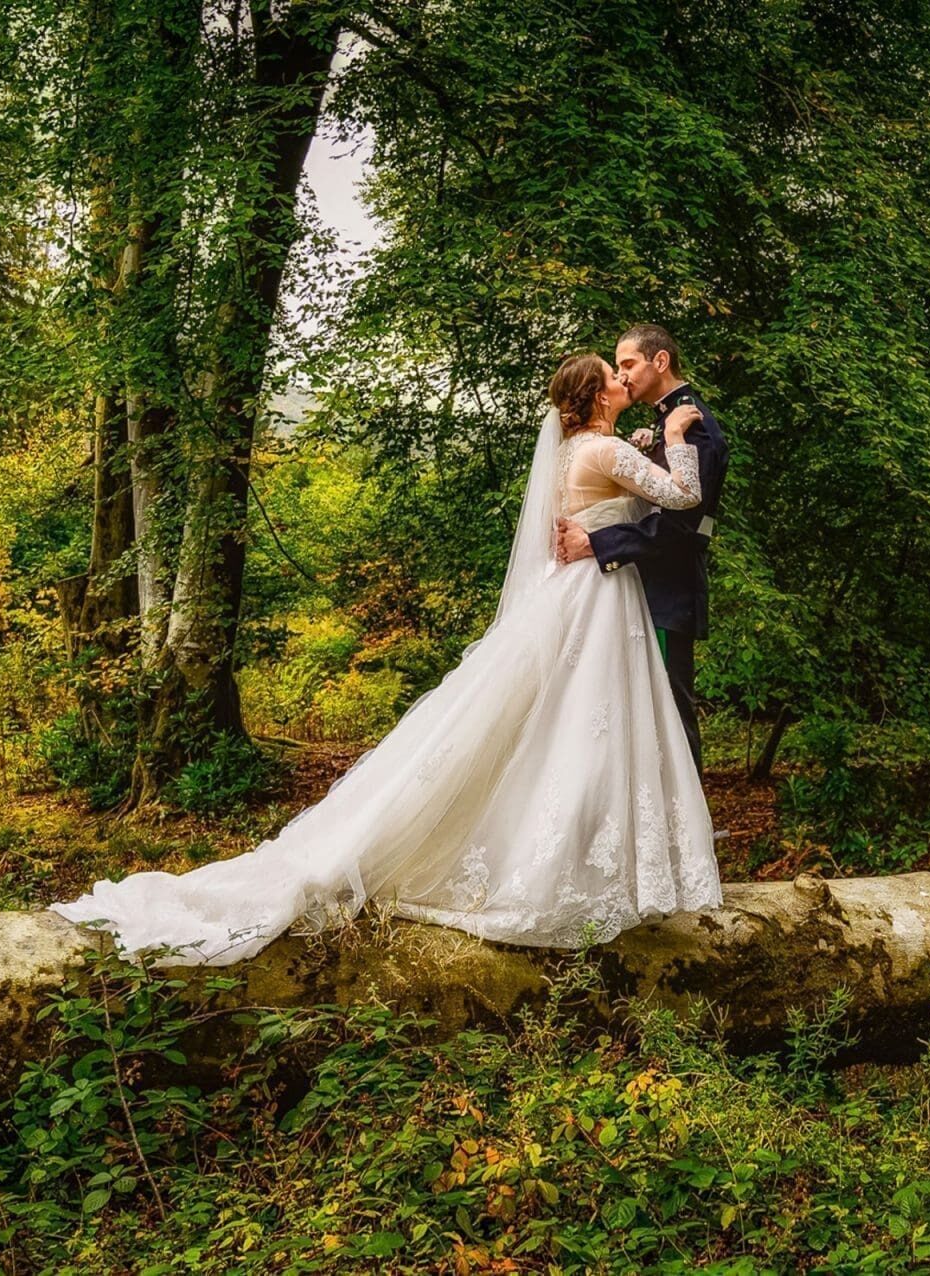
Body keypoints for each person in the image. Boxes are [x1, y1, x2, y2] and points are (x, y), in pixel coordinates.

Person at [48, 353, 723, 967]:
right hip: (595, 601)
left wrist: (633, 459)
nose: (620, 379)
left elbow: (604, 507)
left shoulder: (577, 449)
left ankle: (594, 863)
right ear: (597, 396)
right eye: (612, 373)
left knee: (567, 729)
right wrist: (668, 442)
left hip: (578, 594)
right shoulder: (604, 450)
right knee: (583, 730)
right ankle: (578, 869)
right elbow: (685, 497)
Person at [555, 324, 726, 770]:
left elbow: (680, 525)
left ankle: (689, 829)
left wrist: (597, 542)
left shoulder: (693, 428)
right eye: (616, 369)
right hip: (634, 591)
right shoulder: (658, 425)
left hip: (667, 591)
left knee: (671, 713)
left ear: (660, 362)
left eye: (628, 364)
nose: (623, 374)